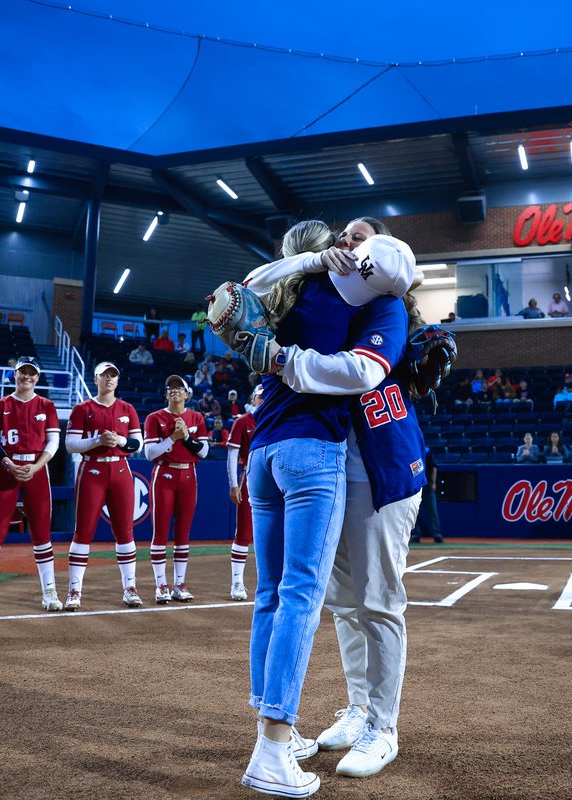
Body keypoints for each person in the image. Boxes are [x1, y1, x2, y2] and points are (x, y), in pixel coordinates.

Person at [238, 217, 421, 790]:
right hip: (333, 457)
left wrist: (281, 363)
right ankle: (358, 707)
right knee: (340, 598)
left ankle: (382, 726)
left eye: (360, 237)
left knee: (378, 598)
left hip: (380, 462)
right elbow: (253, 288)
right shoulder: (327, 288)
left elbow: (364, 372)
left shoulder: (385, 305)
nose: (347, 241)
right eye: (343, 235)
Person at [0, 356, 63, 615]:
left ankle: (50, 592)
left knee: (42, 533)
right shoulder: (1, 405)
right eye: (23, 372)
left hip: (37, 469)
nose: (27, 377)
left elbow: (53, 443)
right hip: (6, 469)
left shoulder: (47, 405)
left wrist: (35, 467)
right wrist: (9, 463)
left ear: (38, 377)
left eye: (32, 373)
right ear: (15, 374)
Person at [63, 361, 144, 610]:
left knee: (125, 530)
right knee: (84, 531)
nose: (108, 379)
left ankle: (130, 588)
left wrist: (119, 439)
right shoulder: (82, 408)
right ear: (95, 379)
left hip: (120, 468)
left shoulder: (127, 408)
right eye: (104, 375)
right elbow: (71, 445)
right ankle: (74, 590)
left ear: (117, 381)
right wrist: (97, 440)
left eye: (113, 375)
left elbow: (137, 444)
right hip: (92, 468)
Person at [143, 374, 210, 604]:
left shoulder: (196, 417)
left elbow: (203, 452)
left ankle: (179, 584)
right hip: (165, 473)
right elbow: (150, 453)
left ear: (187, 394)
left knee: (183, 533)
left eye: (179, 387)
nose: (174, 391)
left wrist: (187, 436)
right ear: (166, 393)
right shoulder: (155, 418)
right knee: (160, 531)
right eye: (170, 387)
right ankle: (161, 584)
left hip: (188, 473)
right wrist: (174, 436)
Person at [226, 383, 263, 601]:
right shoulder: (243, 421)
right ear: (253, 399)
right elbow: (232, 455)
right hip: (250, 476)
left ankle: (271, 581)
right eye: (260, 397)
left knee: (276, 533)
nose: (264, 400)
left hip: (277, 479)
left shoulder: (278, 418)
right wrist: (233, 484)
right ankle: (237, 582)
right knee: (244, 531)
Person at [410, 448, 443, 544]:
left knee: (432, 511)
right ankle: (416, 534)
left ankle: (437, 534)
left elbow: (433, 467)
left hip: (427, 487)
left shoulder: (426, 451)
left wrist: (433, 483)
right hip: (415, 487)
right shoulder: (412, 450)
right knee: (414, 512)